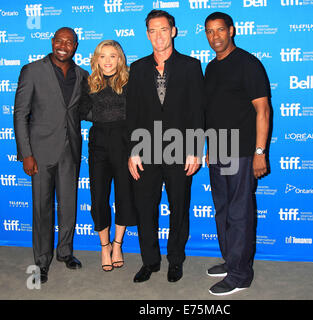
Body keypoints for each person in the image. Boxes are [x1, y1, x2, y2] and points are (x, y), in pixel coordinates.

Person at [127, 10, 204, 283]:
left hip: (180, 150)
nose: (157, 35)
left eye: (162, 29)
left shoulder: (191, 66)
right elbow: (132, 114)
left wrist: (196, 149)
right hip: (146, 151)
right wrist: (133, 151)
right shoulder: (136, 69)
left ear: (173, 31)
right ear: (147, 34)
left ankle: (175, 260)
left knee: (179, 207)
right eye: (152, 30)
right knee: (145, 208)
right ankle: (150, 261)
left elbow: (197, 111)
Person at [13, 27, 89, 284]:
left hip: (70, 152)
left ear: (75, 46)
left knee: (68, 206)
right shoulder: (32, 70)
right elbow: (20, 114)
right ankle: (41, 262)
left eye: (69, 42)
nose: (64, 45)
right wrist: (26, 154)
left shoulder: (82, 75)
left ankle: (65, 252)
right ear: (52, 41)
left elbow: (85, 111)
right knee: (42, 209)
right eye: (60, 40)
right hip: (40, 153)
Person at [204, 12, 271, 295]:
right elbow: (215, 111)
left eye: (220, 30)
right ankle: (232, 261)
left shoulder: (248, 64)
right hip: (218, 149)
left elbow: (263, 110)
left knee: (240, 211)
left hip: (242, 151)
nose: (215, 36)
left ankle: (241, 275)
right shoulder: (211, 67)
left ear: (231, 31)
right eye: (209, 31)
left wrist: (260, 152)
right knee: (222, 209)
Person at [79, 40, 136, 272]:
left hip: (125, 143)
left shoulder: (130, 81)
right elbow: (81, 110)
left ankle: (118, 244)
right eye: (103, 56)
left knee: (125, 195)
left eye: (113, 56)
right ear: (96, 59)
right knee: (99, 198)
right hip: (99, 144)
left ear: (120, 59)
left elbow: (139, 112)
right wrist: (101, 115)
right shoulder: (89, 82)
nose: (108, 61)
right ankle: (104, 246)